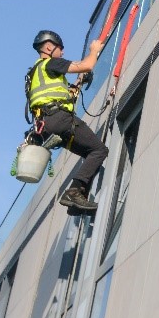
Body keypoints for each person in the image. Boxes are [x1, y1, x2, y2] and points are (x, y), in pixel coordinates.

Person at [26, 30, 109, 213]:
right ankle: (73, 193)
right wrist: (94, 50)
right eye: (60, 49)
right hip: (60, 119)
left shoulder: (35, 72)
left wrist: (78, 82)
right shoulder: (51, 63)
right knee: (99, 150)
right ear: (49, 47)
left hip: (46, 125)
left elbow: (57, 96)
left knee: (90, 152)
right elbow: (86, 65)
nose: (62, 53)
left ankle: (75, 203)